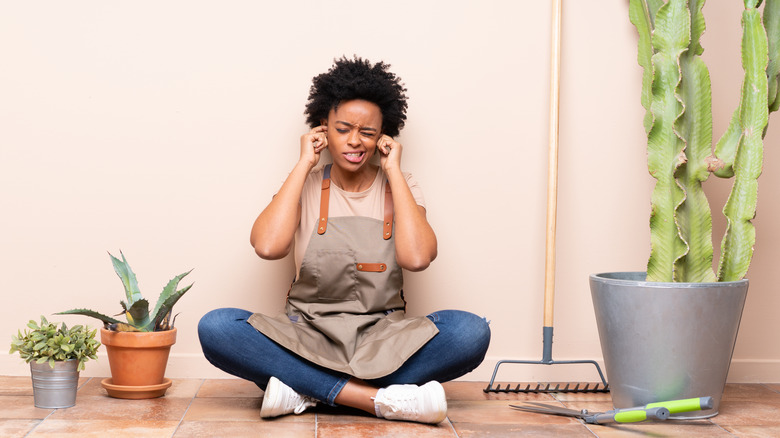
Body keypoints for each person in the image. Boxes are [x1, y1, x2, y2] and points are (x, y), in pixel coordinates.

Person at [198, 56, 490, 424]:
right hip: (308, 335)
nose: (355, 141)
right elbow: (267, 246)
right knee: (217, 327)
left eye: (367, 132)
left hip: (382, 339)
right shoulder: (303, 183)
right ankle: (376, 401)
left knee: (470, 332)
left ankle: (306, 389)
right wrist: (304, 162)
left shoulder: (402, 184)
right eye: (343, 129)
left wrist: (393, 170)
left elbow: (417, 257)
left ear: (384, 136)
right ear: (323, 128)